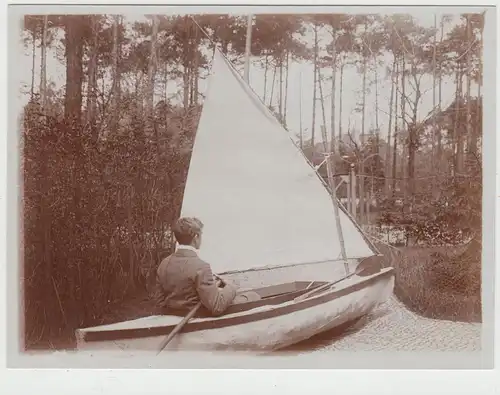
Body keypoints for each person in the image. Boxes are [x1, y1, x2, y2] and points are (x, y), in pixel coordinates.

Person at [155, 217, 260, 317]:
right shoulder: (201, 266)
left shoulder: (164, 263)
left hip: (174, 314)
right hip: (199, 316)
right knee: (253, 296)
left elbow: (160, 301)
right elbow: (217, 306)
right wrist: (231, 286)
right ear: (196, 237)